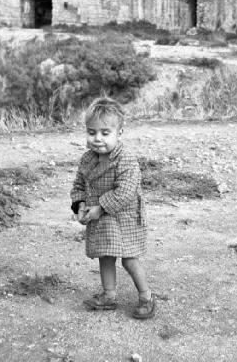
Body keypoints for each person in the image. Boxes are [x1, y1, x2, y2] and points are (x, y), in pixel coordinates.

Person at [70, 97, 156, 320]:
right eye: (91, 132)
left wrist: (100, 207)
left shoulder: (126, 160)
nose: (97, 139)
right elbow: (79, 185)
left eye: (105, 133)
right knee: (105, 255)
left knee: (129, 258)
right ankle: (109, 296)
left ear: (120, 132)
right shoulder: (87, 160)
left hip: (124, 217)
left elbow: (125, 192)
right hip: (101, 218)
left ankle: (146, 296)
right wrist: (80, 205)